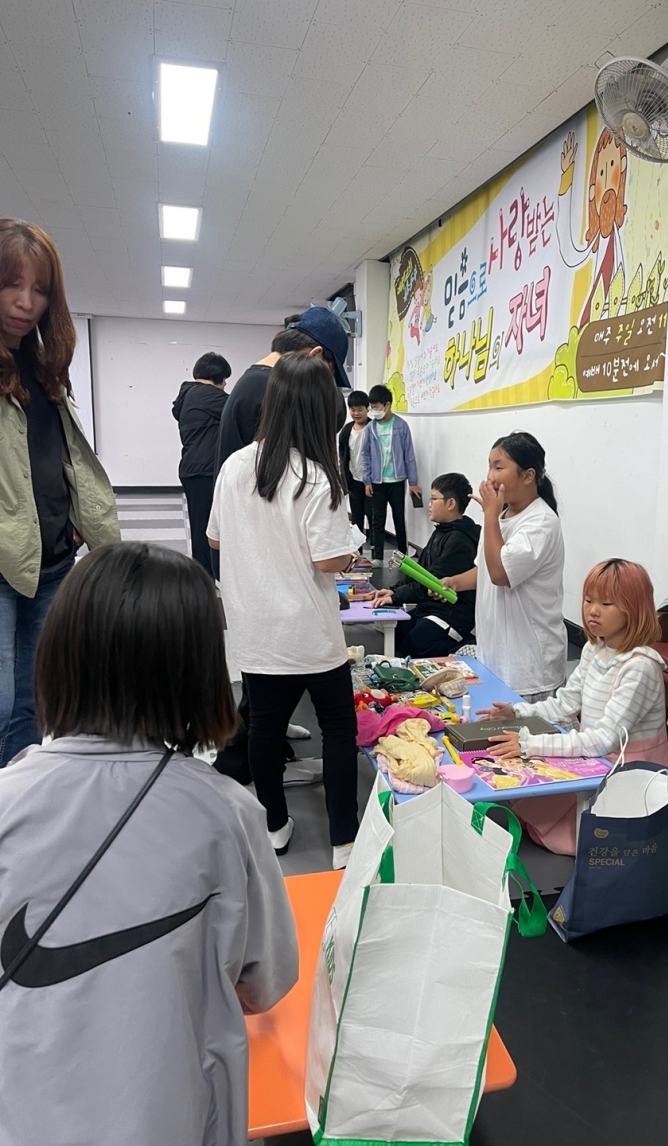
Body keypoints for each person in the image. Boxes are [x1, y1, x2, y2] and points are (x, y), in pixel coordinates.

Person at [0, 542, 298, 1145]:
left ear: (58, 653)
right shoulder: (226, 814)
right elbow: (267, 981)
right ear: (198, 672)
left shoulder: (6, 799)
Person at [208, 353, 359, 868]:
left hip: (254, 627)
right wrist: (351, 549)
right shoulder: (317, 477)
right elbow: (330, 560)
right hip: (311, 632)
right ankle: (343, 840)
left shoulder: (234, 466)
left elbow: (214, 538)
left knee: (264, 729)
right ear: (320, 412)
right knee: (337, 730)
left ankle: (274, 825)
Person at [0, 219, 119, 768]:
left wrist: (73, 519)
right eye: (11, 284)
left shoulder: (45, 366)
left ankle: (15, 804)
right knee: (3, 703)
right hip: (4, 564)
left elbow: (57, 457)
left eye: (40, 289)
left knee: (36, 700)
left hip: (51, 560)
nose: (26, 303)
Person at [214, 312, 349, 778]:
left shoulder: (252, 386)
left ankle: (264, 787)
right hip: (280, 595)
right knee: (285, 715)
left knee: (265, 706)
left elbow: (223, 530)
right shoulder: (304, 465)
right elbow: (312, 546)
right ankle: (243, 764)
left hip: (252, 589)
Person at [479, 559, 668, 854]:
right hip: (596, 760)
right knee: (521, 802)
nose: (593, 610)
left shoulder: (640, 667)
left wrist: (530, 744)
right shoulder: (595, 649)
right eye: (588, 600)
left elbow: (604, 739)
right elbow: (566, 703)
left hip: (630, 776)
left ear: (633, 609)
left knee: (556, 830)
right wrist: (517, 713)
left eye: (606, 603)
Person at [441, 432, 566, 702]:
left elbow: (500, 574)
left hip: (527, 671)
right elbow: (485, 570)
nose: (490, 477)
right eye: (489, 466)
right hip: (495, 660)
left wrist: (489, 515)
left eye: (499, 467)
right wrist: (455, 582)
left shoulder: (541, 522)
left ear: (528, 475)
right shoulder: (500, 516)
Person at [216, 308, 350, 472]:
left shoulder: (254, 379)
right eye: (330, 372)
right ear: (314, 355)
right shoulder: (276, 388)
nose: (326, 383)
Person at [372, 473, 480, 656]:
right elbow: (421, 572)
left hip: (452, 615)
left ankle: (467, 647)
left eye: (434, 499)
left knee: (415, 644)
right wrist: (393, 590)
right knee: (397, 633)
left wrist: (396, 598)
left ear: (451, 503)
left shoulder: (459, 541)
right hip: (429, 607)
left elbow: (432, 581)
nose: (429, 504)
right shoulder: (442, 531)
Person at [172, 351, 231, 577]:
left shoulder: (189, 394)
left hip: (194, 468)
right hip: (204, 470)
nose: (225, 385)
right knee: (208, 530)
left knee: (202, 527)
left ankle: (205, 577)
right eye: (224, 379)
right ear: (216, 377)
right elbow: (242, 407)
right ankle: (205, 578)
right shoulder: (206, 395)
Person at [361, 383, 421, 567]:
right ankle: (377, 556)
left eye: (376, 407)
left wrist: (413, 482)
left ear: (387, 405)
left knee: (398, 519)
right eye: (371, 407)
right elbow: (365, 455)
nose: (373, 411)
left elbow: (409, 455)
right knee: (377, 520)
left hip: (397, 480)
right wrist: (367, 481)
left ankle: (403, 555)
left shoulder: (401, 426)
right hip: (377, 482)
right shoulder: (370, 428)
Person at [338, 389, 370, 542]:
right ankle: (358, 550)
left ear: (367, 408)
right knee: (356, 517)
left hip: (372, 482)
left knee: (373, 516)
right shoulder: (346, 431)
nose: (356, 413)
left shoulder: (373, 428)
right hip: (353, 480)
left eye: (360, 409)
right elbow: (342, 457)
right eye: (352, 410)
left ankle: (376, 551)